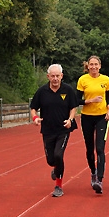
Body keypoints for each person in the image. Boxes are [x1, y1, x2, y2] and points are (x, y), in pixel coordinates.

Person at [30, 64, 78, 198]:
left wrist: (70, 120)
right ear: (48, 77)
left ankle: (58, 185)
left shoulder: (67, 90)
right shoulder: (42, 91)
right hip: (47, 130)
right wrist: (35, 117)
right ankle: (56, 168)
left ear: (62, 76)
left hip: (63, 129)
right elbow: (33, 107)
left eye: (58, 76)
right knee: (51, 160)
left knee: (58, 155)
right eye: (53, 76)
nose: (55, 78)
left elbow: (74, 107)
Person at [76, 56, 109, 194]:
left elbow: (108, 97)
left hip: (102, 117)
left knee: (100, 148)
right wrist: (90, 100)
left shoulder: (106, 79)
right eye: (91, 64)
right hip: (87, 117)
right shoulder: (83, 80)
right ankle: (93, 172)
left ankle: (100, 180)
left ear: (100, 66)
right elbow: (77, 100)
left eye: (96, 64)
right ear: (88, 66)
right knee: (90, 149)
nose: (94, 67)